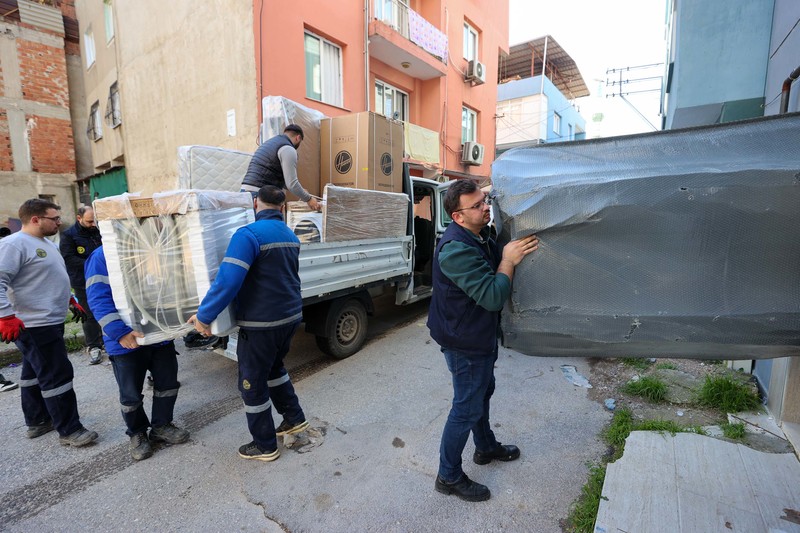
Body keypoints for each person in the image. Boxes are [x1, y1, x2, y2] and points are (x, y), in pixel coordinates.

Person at [427, 180, 539, 502]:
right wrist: (508, 261)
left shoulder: (479, 234)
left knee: (482, 393)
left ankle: (485, 447)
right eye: (476, 206)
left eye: (484, 200)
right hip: (464, 342)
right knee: (465, 408)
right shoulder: (455, 250)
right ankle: (448, 476)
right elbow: (492, 296)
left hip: (478, 335)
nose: (485, 207)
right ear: (458, 217)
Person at [188, 185, 308, 462]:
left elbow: (227, 281)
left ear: (255, 203)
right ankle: (294, 418)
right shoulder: (290, 235)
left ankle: (265, 445)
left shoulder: (248, 235)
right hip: (289, 317)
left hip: (262, 323)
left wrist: (204, 317)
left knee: (251, 384)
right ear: (282, 207)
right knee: (275, 368)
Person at [0, 199, 98, 446]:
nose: (59, 222)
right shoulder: (13, 245)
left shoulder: (46, 243)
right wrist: (6, 316)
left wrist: (70, 299)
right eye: (54, 218)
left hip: (48, 320)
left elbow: (50, 277)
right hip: (34, 324)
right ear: (35, 219)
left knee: (34, 372)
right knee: (56, 374)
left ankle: (38, 420)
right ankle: (70, 430)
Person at [84, 246, 190, 461]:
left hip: (160, 334)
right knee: (130, 394)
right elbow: (98, 298)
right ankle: (137, 433)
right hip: (125, 340)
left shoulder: (150, 246)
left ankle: (162, 426)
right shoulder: (102, 255)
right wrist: (119, 332)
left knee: (167, 385)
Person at [240, 124, 321, 212]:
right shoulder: (288, 149)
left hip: (245, 192)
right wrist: (309, 199)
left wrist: (301, 191)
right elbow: (292, 184)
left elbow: (276, 176)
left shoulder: (270, 143)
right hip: (262, 196)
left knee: (251, 221)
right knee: (270, 221)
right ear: (298, 138)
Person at [59, 206, 104, 365]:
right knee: (89, 314)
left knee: (109, 308)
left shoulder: (99, 230)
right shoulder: (68, 235)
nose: (93, 224)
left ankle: (110, 339)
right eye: (89, 221)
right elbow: (68, 258)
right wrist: (94, 264)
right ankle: (94, 346)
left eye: (95, 221)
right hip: (82, 281)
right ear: (79, 218)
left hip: (104, 278)